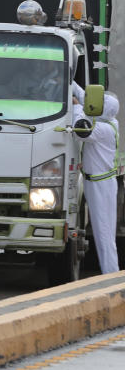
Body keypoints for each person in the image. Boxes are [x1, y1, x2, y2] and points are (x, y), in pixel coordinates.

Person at [72, 81, 120, 274]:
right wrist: (70, 78)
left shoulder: (104, 129)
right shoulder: (107, 120)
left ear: (103, 109)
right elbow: (86, 97)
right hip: (98, 182)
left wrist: (76, 108)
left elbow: (80, 131)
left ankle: (111, 275)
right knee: (103, 232)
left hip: (102, 185)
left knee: (104, 233)